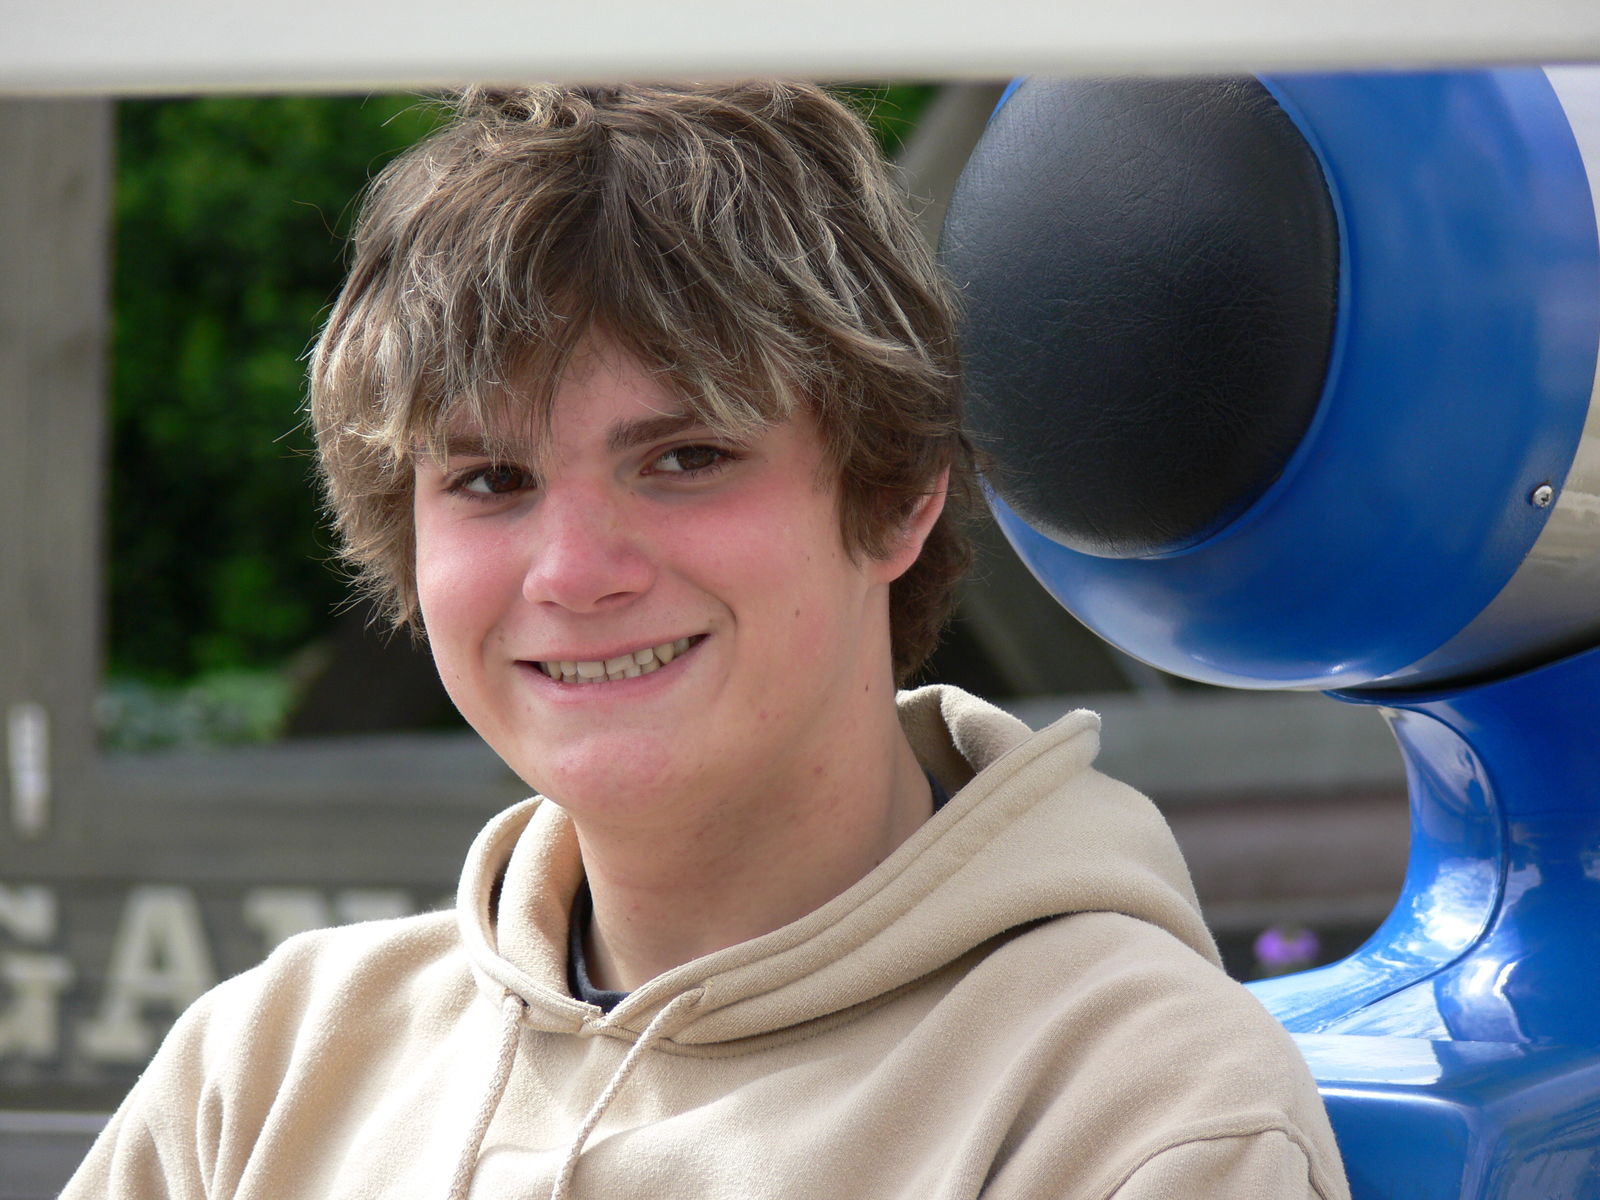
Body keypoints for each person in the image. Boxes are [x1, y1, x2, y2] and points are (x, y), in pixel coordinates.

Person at [66, 81, 1349, 1199]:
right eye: (491, 480)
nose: (574, 573)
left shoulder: (1138, 1112)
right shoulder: (265, 1071)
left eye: (685, 457)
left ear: (899, 492)